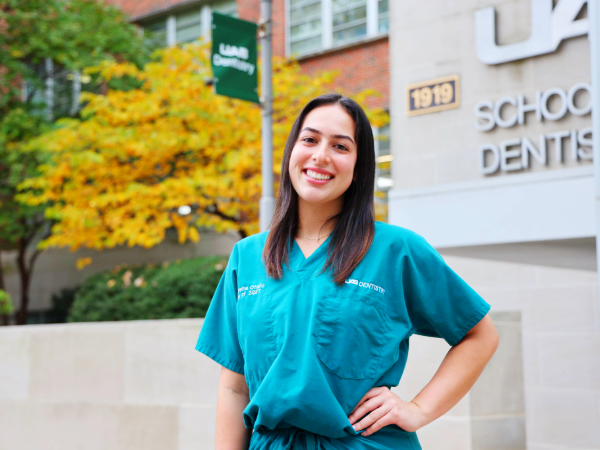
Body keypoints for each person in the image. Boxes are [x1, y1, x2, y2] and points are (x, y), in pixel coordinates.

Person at [194, 93, 499, 450]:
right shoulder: (247, 256)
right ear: (291, 151)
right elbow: (234, 386)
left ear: (358, 167)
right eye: (309, 140)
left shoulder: (396, 250)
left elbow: (479, 336)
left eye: (340, 146)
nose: (320, 155)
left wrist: (418, 409)